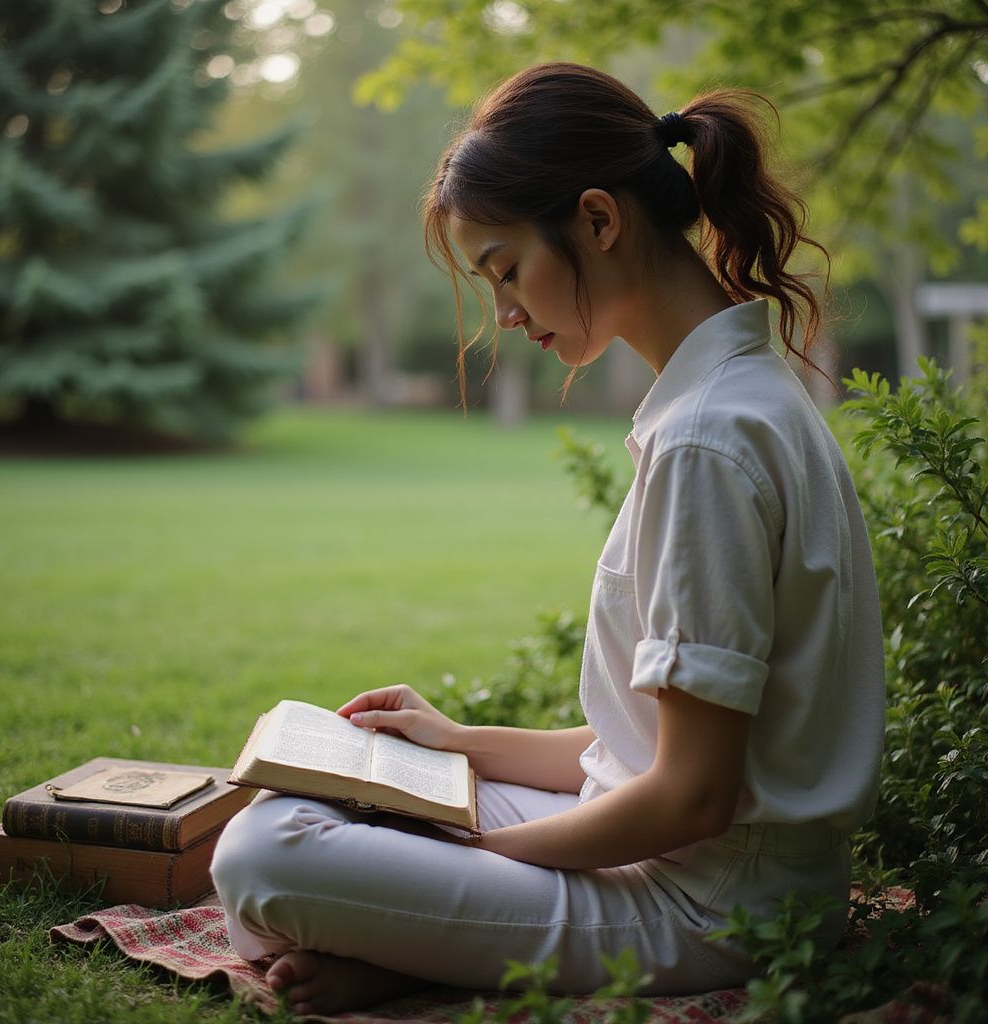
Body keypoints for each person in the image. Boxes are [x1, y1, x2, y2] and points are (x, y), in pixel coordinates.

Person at [210, 62, 885, 1017]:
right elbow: (653, 749)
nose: (507, 313)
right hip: (659, 851)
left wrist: (474, 857)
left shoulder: (709, 440)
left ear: (601, 222)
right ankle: (430, 945)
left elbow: (691, 798)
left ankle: (431, 950)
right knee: (297, 813)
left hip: (707, 905)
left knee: (260, 861)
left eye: (506, 270)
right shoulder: (724, 400)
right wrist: (460, 744)